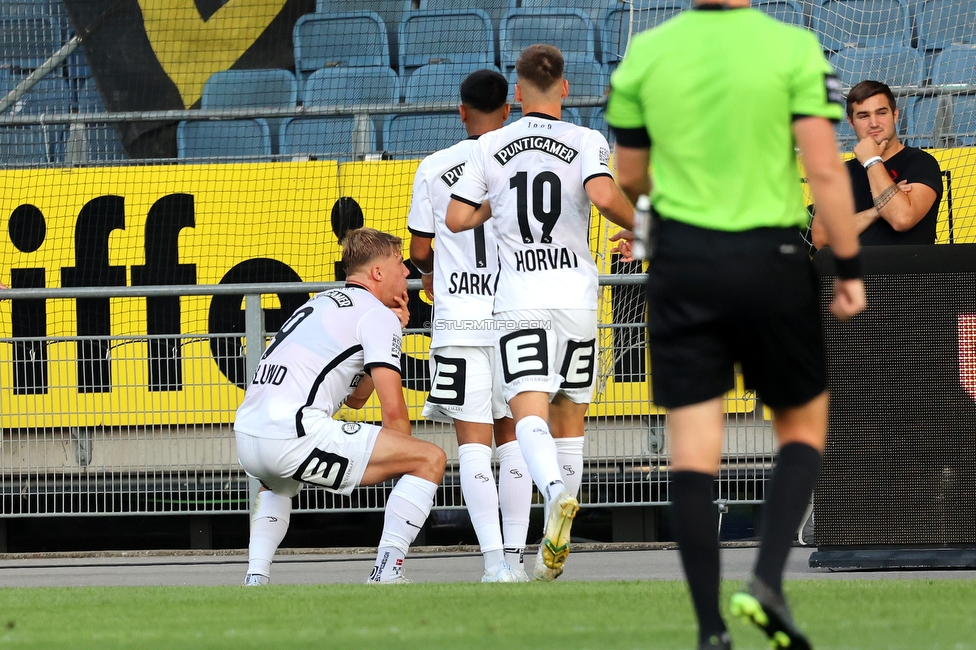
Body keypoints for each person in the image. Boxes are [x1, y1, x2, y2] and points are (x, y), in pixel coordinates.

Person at [605, 2, 866, 649]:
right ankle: (767, 581)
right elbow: (826, 167)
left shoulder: (647, 52)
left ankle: (710, 631)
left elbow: (630, 177)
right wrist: (850, 268)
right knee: (802, 425)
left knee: (693, 451)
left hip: (682, 263)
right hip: (770, 259)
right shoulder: (793, 47)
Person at [446, 44, 635, 581]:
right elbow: (601, 196)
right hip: (577, 298)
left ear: (518, 93)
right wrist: (645, 224)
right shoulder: (586, 139)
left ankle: (552, 491)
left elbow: (458, 218)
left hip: (520, 299)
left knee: (527, 410)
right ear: (566, 89)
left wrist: (499, 202)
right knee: (570, 419)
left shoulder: (492, 144)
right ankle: (551, 559)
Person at [234, 227, 447, 586]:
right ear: (378, 273)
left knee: (278, 484)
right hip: (292, 434)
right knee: (430, 459)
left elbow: (356, 398)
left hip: (248, 436)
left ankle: (255, 578)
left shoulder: (321, 300)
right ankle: (387, 571)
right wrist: (404, 461)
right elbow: (394, 414)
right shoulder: (376, 316)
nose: (407, 272)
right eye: (400, 263)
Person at [408, 69, 533, 583]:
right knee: (516, 440)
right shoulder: (521, 162)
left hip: (460, 320)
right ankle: (520, 561)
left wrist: (433, 273)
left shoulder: (434, 167)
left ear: (461, 111)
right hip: (515, 316)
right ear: (509, 110)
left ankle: (492, 565)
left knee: (473, 445)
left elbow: (418, 251)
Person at [811, 79, 943, 248]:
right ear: (851, 122)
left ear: (895, 115)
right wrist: (876, 211)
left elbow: (901, 219)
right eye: (863, 116)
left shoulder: (921, 162)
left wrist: (872, 160)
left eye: (881, 113)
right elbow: (822, 238)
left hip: (906, 273)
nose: (874, 123)